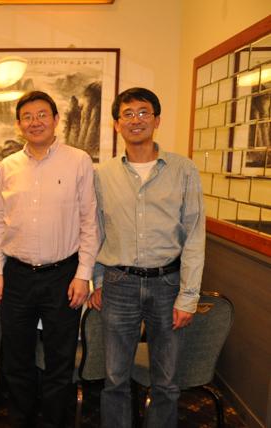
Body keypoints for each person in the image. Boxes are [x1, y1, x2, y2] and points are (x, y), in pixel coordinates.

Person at [89, 87, 205, 428]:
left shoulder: (183, 170)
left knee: (166, 381)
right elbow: (97, 231)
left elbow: (195, 236)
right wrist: (98, 280)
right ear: (116, 124)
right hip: (118, 284)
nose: (135, 120)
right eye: (127, 114)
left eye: (143, 112)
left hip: (168, 284)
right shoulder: (103, 174)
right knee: (115, 378)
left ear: (157, 120)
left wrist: (188, 296)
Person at [0, 91, 99, 428]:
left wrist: (83, 275)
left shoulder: (78, 160)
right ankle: (20, 418)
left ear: (55, 120)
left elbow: (89, 222)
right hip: (16, 276)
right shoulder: (8, 165)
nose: (35, 122)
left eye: (42, 115)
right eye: (27, 116)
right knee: (16, 357)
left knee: (59, 359)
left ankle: (54, 421)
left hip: (63, 276)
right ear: (19, 124)